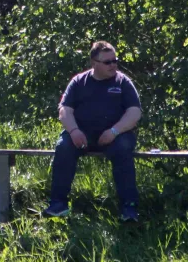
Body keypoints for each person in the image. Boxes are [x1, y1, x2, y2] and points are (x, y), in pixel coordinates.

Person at [44, 41, 142, 222]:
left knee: (123, 149)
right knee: (63, 147)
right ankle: (58, 205)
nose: (113, 65)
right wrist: (73, 131)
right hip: (82, 134)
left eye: (115, 60)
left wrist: (114, 131)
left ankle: (129, 209)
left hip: (116, 135)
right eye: (108, 62)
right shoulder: (79, 82)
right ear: (94, 63)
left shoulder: (123, 82)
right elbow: (64, 110)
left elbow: (134, 112)